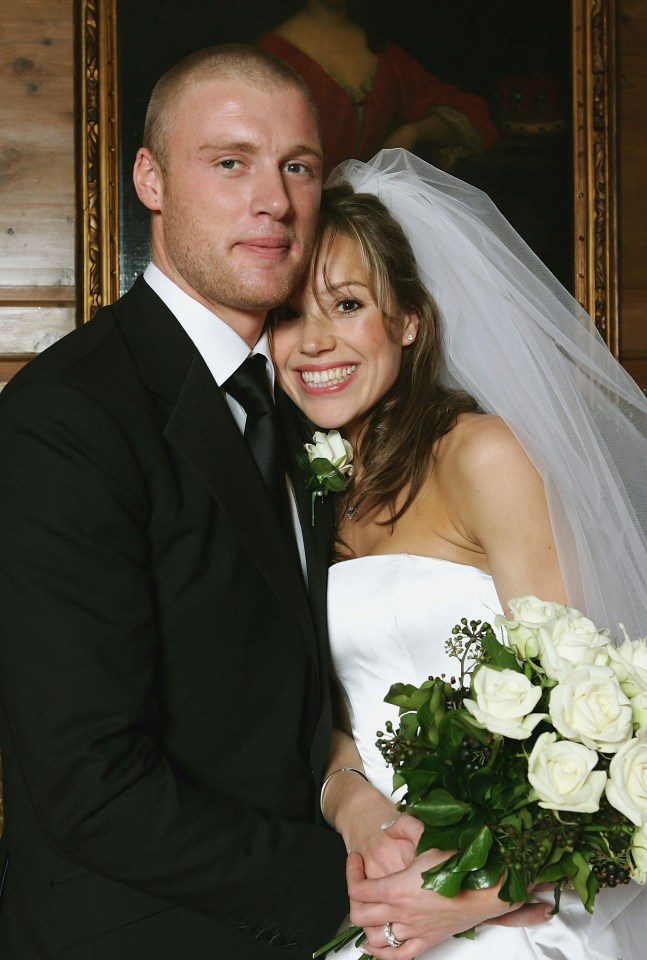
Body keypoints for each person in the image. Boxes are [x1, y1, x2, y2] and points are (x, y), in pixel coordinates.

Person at [0, 44, 354, 960]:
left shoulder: (314, 396)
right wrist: (347, 888)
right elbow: (91, 787)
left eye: (298, 167)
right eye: (230, 162)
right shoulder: (66, 418)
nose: (273, 200)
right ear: (150, 179)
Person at [271, 149, 647, 960]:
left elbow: (597, 727)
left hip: (511, 895)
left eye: (346, 304)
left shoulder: (481, 455)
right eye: (288, 314)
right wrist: (352, 805)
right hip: (369, 885)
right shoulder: (306, 489)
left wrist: (470, 896)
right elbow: (324, 718)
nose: (314, 341)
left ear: (409, 320)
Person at [256, 0, 498, 178]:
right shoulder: (271, 54)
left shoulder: (384, 55)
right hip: (306, 207)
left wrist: (411, 133)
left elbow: (470, 113)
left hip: (374, 210)